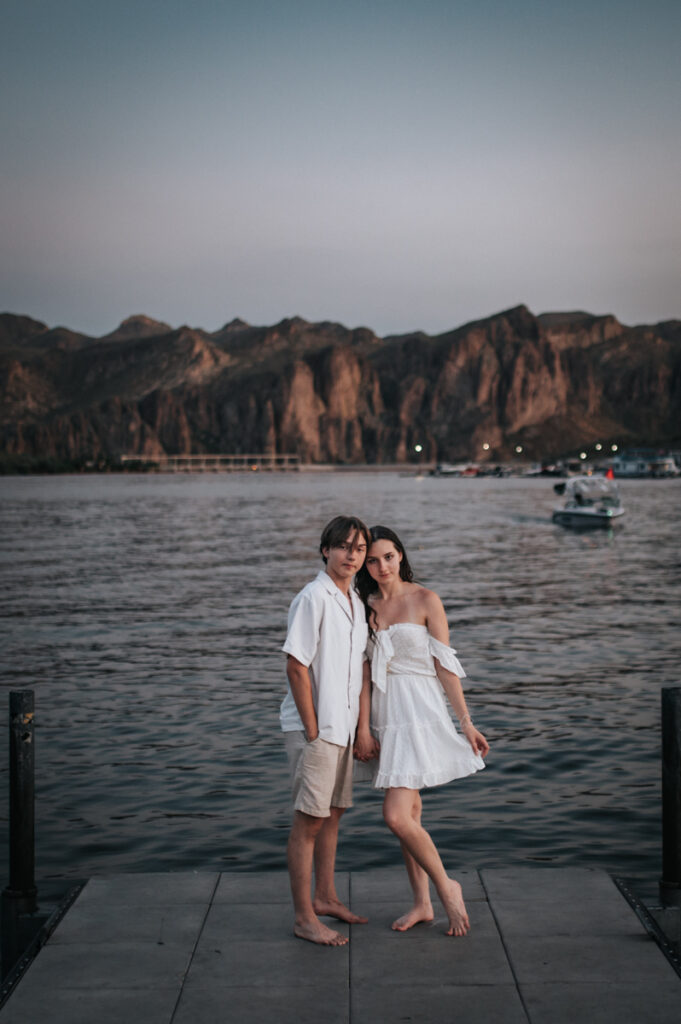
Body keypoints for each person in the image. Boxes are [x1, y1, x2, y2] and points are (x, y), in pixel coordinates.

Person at [354, 525, 489, 937]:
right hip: (384, 713)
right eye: (373, 560)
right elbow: (361, 674)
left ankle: (447, 888)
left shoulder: (426, 599)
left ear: (401, 555)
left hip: (419, 712)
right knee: (409, 814)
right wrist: (363, 729)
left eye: (388, 557)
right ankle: (422, 903)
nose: (381, 567)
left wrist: (466, 722)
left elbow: (444, 666)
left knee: (396, 816)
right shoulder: (365, 605)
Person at [281, 514, 378, 946]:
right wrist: (313, 728)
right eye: (344, 547)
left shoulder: (357, 603)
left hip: (343, 728)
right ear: (326, 549)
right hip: (316, 730)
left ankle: (325, 896)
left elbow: (358, 670)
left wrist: (362, 729)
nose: (351, 556)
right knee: (308, 822)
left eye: (359, 549)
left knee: (333, 814)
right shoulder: (312, 597)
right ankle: (304, 918)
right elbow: (296, 664)